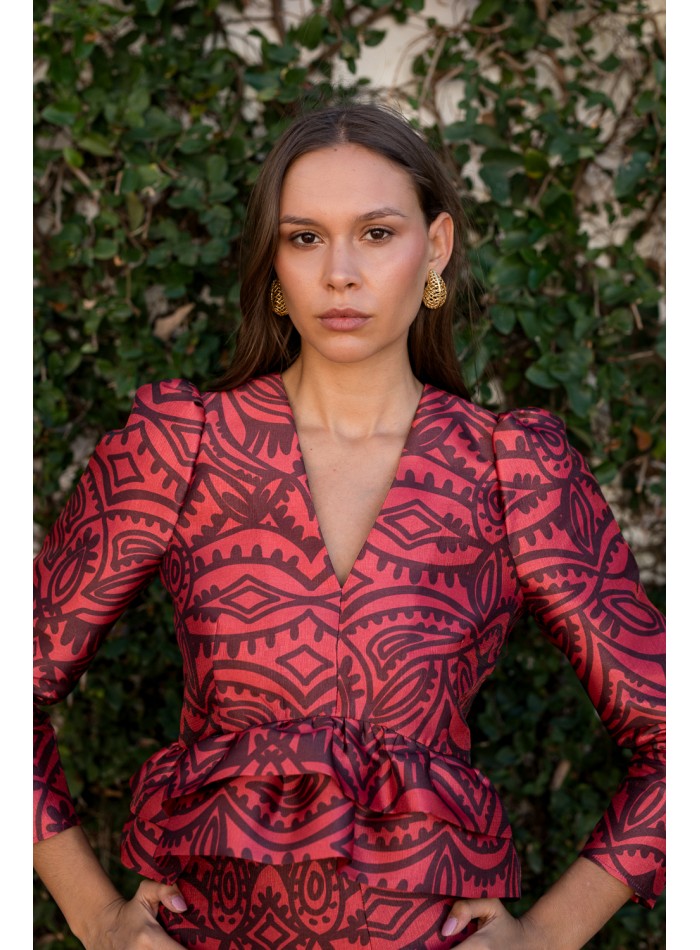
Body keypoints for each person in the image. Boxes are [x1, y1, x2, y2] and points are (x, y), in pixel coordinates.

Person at [34, 100, 665, 949]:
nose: (340, 273)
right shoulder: (182, 447)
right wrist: (95, 917)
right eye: (304, 238)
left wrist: (548, 935)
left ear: (434, 248)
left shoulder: (511, 471)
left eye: (375, 233)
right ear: (273, 263)